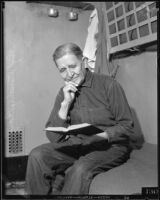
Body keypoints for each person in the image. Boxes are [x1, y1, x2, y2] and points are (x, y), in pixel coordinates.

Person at [25, 43, 134, 195]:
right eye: (62, 70)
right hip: (79, 143)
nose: (69, 74)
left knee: (80, 168)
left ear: (83, 62)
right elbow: (54, 138)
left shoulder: (109, 85)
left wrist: (100, 136)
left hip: (111, 147)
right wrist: (65, 104)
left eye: (72, 66)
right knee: (37, 155)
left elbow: (127, 126)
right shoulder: (63, 93)